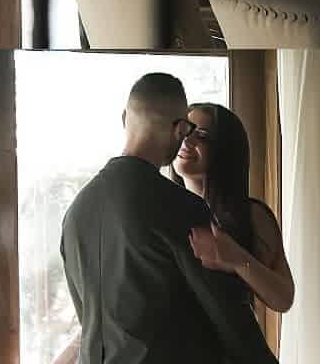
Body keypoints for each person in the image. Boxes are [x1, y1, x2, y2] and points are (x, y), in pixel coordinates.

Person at [60, 73, 279, 364]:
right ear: (179, 129)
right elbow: (228, 315)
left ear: (125, 118)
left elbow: (89, 317)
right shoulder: (181, 207)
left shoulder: (76, 212)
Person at [172, 103, 294, 313]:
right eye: (184, 131)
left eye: (201, 136)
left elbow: (283, 298)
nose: (187, 141)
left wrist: (236, 258)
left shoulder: (251, 215)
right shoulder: (164, 209)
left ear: (225, 150)